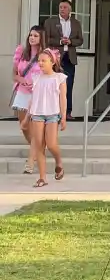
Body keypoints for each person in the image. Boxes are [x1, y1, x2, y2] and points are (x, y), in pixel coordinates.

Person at [28, 48, 67, 188]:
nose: (40, 63)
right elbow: (33, 98)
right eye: (39, 61)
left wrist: (63, 117)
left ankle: (59, 162)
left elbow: (63, 99)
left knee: (51, 144)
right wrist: (28, 116)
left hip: (52, 114)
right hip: (37, 114)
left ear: (52, 61)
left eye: (43, 61)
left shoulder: (59, 78)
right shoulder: (36, 78)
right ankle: (42, 177)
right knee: (39, 145)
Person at [11, 25, 46, 173]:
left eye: (36, 36)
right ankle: (38, 148)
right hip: (22, 92)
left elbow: (50, 75)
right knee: (24, 126)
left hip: (37, 94)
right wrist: (22, 79)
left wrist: (36, 82)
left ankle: (31, 162)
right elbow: (14, 75)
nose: (32, 38)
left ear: (41, 38)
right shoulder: (21, 51)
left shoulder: (47, 54)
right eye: (31, 35)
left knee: (35, 127)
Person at [43, 0, 83, 121]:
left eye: (65, 7)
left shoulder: (75, 23)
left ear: (70, 10)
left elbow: (80, 40)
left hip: (69, 57)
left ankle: (67, 112)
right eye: (61, 7)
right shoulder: (50, 22)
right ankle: (52, 112)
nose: (62, 9)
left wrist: (71, 42)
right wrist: (60, 42)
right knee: (53, 85)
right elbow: (45, 39)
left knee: (68, 85)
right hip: (55, 58)